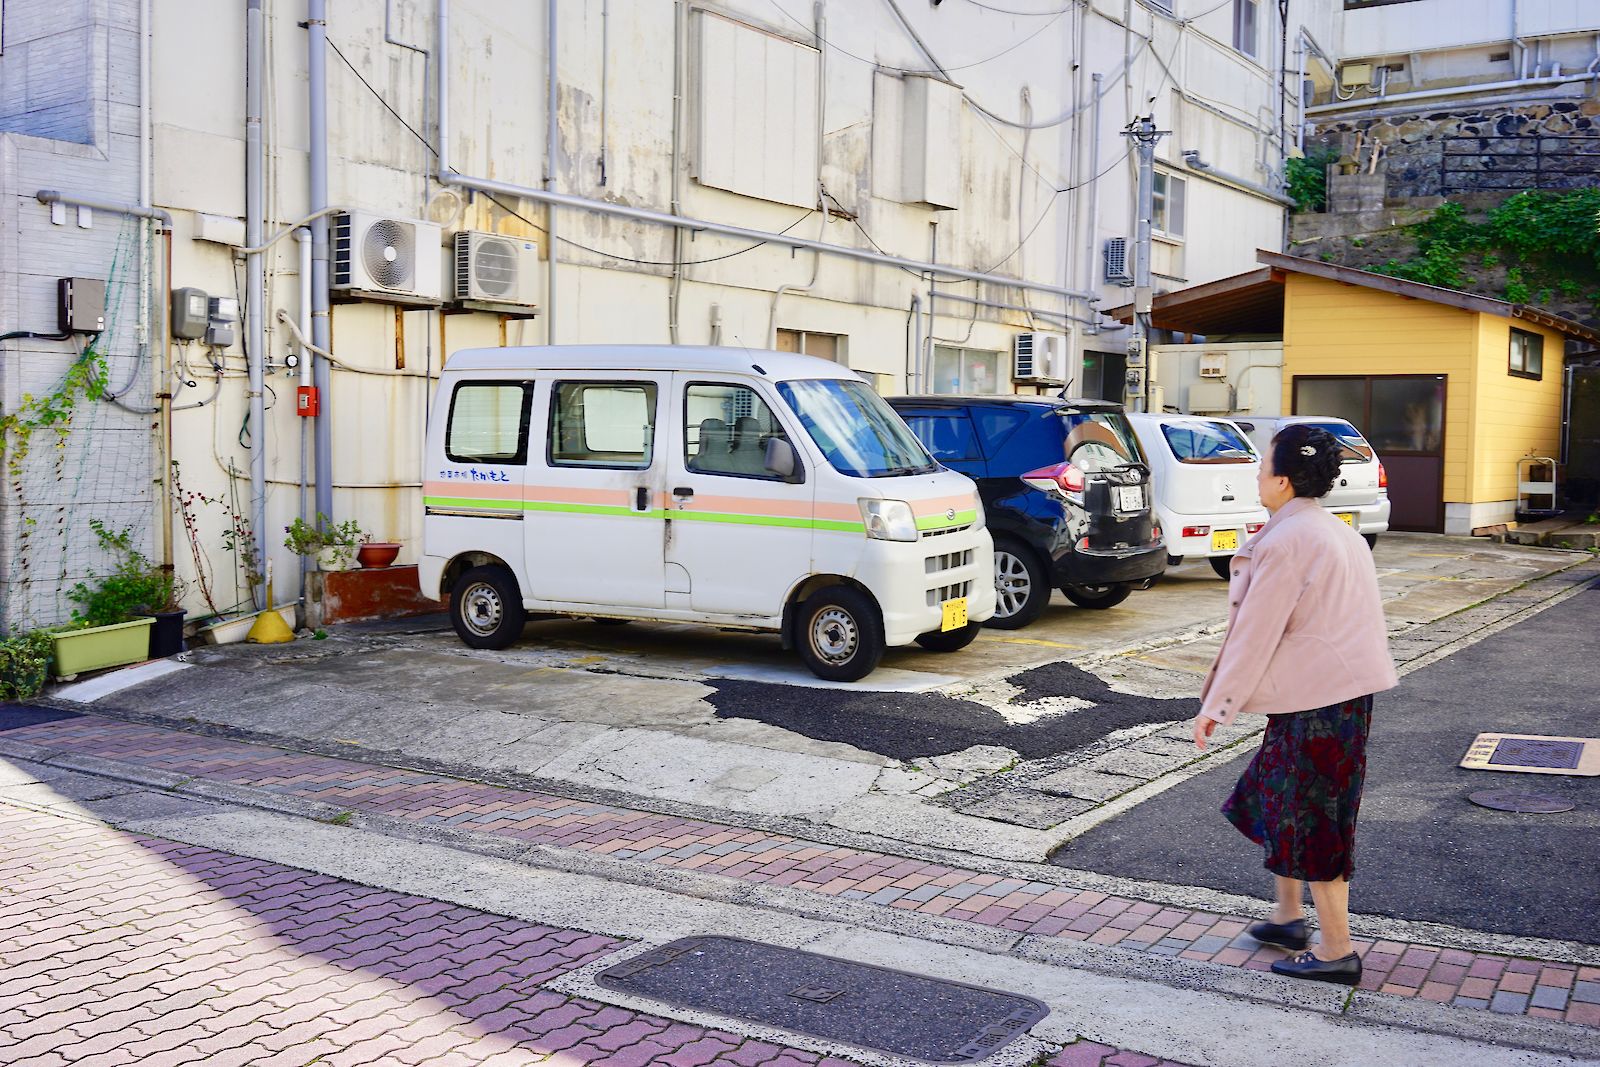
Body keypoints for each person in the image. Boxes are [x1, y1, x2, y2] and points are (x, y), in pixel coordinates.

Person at [1191, 424, 1399, 986]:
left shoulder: (1287, 541)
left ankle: (1336, 950)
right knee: (1270, 798)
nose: (1257, 475)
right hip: (1333, 696)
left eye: (1262, 468)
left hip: (1318, 703)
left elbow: (1255, 633)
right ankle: (1288, 916)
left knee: (1315, 818)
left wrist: (1218, 704)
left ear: (1282, 481)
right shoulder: (1339, 533)